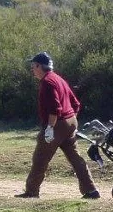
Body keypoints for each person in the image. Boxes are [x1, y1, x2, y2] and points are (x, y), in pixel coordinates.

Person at [15, 52, 100, 199]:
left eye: (33, 66)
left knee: (40, 158)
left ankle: (31, 192)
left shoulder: (47, 82)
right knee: (75, 158)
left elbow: (54, 109)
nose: (32, 69)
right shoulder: (58, 79)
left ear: (39, 66)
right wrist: (70, 122)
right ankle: (91, 190)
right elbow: (75, 104)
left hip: (57, 124)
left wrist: (50, 128)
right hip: (70, 121)